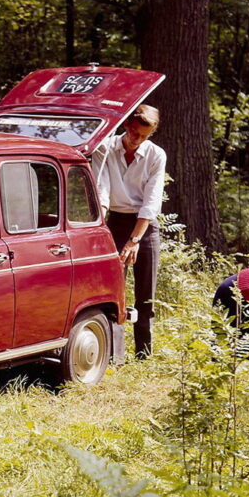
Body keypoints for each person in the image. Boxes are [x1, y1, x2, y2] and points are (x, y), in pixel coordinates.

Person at [93, 104, 166, 358]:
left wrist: (135, 240)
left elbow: (151, 202)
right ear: (127, 125)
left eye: (145, 136)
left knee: (146, 292)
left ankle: (144, 353)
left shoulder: (156, 155)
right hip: (114, 221)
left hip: (144, 227)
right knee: (113, 289)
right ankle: (114, 353)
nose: (138, 140)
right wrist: (99, 227)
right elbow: (100, 190)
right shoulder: (105, 147)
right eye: (135, 133)